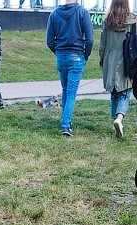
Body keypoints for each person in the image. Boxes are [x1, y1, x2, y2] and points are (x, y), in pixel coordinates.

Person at [46, 0, 94, 137]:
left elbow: (49, 41)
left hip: (61, 56)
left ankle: (66, 119)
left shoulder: (54, 14)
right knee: (71, 92)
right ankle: (66, 124)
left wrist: (57, 51)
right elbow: (90, 39)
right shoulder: (83, 13)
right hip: (77, 55)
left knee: (65, 90)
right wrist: (86, 55)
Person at [99, 0, 137, 138]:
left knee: (114, 92)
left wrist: (102, 60)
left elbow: (102, 45)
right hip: (126, 61)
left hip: (110, 60)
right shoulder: (133, 21)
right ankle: (119, 119)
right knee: (125, 92)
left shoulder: (107, 22)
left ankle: (114, 122)